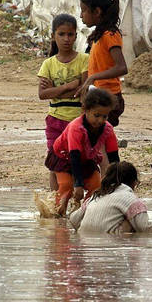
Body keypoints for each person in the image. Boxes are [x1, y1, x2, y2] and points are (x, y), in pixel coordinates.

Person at [47, 87, 121, 216]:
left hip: (86, 159)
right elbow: (74, 156)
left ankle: (85, 212)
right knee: (66, 187)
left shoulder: (108, 129)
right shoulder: (76, 128)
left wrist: (117, 183)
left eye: (105, 116)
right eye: (96, 115)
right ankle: (58, 217)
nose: (101, 120)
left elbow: (114, 157)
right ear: (85, 111)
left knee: (96, 186)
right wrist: (78, 185)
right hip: (64, 157)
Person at [38, 14, 90, 191]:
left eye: (70, 34)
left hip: (78, 120)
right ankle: (54, 202)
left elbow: (82, 92)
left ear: (76, 36)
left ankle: (79, 196)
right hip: (55, 120)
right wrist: (70, 85)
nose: (66, 39)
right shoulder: (48, 64)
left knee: (80, 159)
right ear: (53, 36)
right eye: (61, 34)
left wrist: (57, 90)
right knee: (55, 160)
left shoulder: (84, 59)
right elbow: (43, 94)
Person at [76, 0, 128, 127]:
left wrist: (94, 77)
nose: (81, 15)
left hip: (109, 97)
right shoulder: (99, 35)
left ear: (97, 12)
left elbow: (121, 67)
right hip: (98, 94)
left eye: (84, 10)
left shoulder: (110, 35)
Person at [69, 161, 152, 234]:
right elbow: (146, 229)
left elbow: (73, 219)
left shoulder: (95, 196)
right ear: (134, 182)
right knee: (131, 223)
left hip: (86, 246)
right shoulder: (130, 199)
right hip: (112, 241)